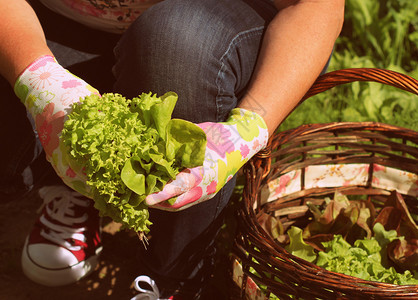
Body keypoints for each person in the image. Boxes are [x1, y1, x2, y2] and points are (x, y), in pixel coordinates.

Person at [0, 0, 344, 298]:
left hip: (200, 30)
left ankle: (173, 273)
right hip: (46, 24)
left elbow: (313, 6)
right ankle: (78, 189)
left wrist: (249, 128)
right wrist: (38, 78)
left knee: (176, 42)